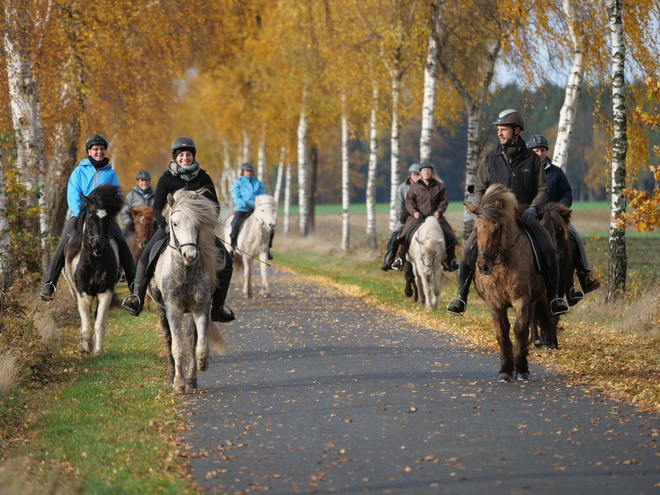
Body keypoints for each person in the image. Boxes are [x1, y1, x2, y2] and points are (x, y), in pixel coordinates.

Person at [446, 109, 569, 317]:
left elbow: (542, 190)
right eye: (499, 130)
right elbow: (479, 189)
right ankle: (461, 296)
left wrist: (533, 209)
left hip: (524, 216)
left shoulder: (532, 159)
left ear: (517, 130)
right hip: (493, 218)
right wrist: (484, 211)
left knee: (548, 246)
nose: (500, 133)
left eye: (503, 129)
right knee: (468, 250)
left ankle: (555, 297)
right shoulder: (489, 159)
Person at [121, 137, 235, 322]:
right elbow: (157, 207)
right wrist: (165, 226)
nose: (185, 158)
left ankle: (218, 308)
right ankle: (137, 298)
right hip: (171, 228)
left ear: (193, 156)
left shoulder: (204, 178)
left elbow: (215, 206)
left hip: (199, 231)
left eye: (188, 154)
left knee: (227, 260)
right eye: (181, 155)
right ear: (175, 157)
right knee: (146, 256)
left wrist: (206, 224)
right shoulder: (166, 179)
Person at [39, 134, 136, 300]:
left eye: (101, 149)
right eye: (95, 149)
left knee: (121, 241)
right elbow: (73, 195)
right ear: (89, 151)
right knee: (64, 242)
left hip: (104, 217)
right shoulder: (78, 171)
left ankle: (134, 286)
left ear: (105, 151)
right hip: (81, 215)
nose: (99, 151)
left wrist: (109, 212)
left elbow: (117, 194)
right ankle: (50, 284)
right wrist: (82, 214)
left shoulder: (110, 173)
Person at [527, 134, 600, 300]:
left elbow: (567, 193)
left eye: (542, 150)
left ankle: (582, 278)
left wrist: (559, 208)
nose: (540, 153)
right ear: (530, 152)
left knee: (574, 236)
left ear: (546, 152)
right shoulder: (525, 172)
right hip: (533, 217)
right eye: (536, 150)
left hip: (555, 218)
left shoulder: (556, 172)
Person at [391, 161, 459, 272]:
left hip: (435, 217)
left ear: (432, 172)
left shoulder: (440, 187)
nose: (426, 172)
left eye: (428, 170)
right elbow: (409, 202)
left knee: (450, 234)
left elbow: (444, 201)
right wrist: (414, 212)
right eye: (424, 171)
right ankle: (399, 259)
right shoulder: (414, 187)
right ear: (420, 173)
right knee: (404, 234)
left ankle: (451, 260)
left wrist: (439, 211)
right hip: (417, 217)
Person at [380, 163, 420, 271]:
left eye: (418, 174)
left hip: (422, 217)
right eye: (414, 174)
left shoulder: (424, 186)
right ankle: (390, 260)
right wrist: (401, 215)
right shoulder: (403, 187)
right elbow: (398, 204)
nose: (416, 176)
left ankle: (447, 259)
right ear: (410, 175)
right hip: (406, 218)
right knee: (395, 235)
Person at [229, 162, 273, 259]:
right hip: (242, 209)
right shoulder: (238, 183)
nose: (249, 173)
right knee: (234, 224)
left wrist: (257, 206)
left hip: (256, 210)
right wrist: (245, 205)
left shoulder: (258, 183)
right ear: (243, 172)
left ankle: (267, 249)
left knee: (270, 225)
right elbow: (236, 197)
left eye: (250, 171)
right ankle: (233, 247)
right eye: (247, 171)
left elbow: (262, 196)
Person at [120, 170, 155, 237]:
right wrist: (129, 222)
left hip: (151, 225)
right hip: (134, 225)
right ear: (137, 182)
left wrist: (155, 221)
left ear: (149, 181)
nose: (144, 183)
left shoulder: (156, 195)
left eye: (146, 180)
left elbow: (159, 210)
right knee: (121, 236)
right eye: (142, 180)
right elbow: (124, 211)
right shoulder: (131, 195)